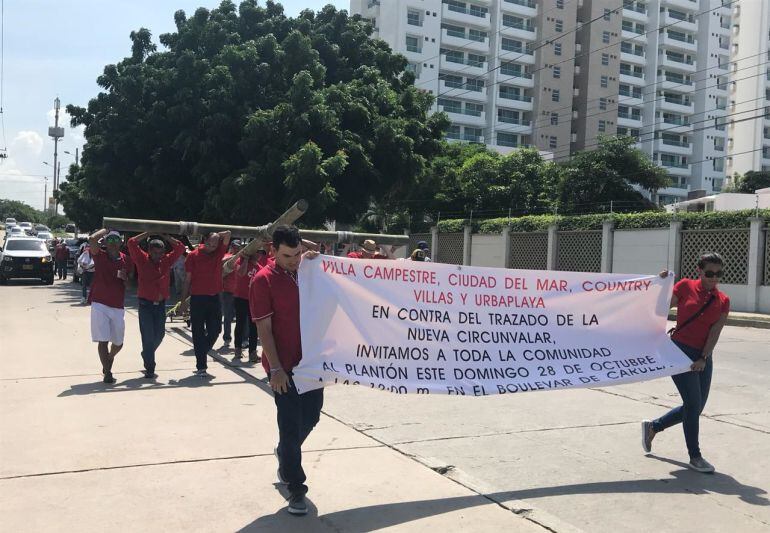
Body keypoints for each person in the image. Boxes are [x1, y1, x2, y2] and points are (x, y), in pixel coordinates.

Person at [250, 225, 321, 516]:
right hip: (283, 367)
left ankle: (284, 452)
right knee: (290, 426)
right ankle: (296, 488)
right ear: (273, 251)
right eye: (287, 256)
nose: (294, 260)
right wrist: (276, 368)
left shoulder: (308, 271)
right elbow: (264, 329)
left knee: (312, 417)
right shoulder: (263, 280)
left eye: (297, 253)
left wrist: (309, 253)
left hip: (311, 364)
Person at [642, 252, 730, 473]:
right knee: (692, 404)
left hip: (702, 356)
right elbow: (659, 309)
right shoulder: (685, 286)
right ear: (699, 270)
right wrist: (661, 285)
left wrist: (703, 357)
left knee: (696, 407)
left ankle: (653, 426)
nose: (713, 278)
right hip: (678, 352)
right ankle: (695, 457)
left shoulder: (723, 300)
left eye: (718, 274)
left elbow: (715, 332)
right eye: (709, 273)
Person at [128, 232, 186, 379]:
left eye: (160, 253)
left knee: (159, 335)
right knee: (148, 337)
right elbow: (131, 242)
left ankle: (147, 353)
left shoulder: (166, 260)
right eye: (155, 252)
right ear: (149, 251)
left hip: (160, 305)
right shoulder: (141, 259)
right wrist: (148, 232)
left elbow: (180, 248)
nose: (158, 256)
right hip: (145, 305)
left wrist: (165, 236)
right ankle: (150, 368)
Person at [179, 230, 231, 376]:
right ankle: (201, 366)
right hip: (198, 298)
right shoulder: (193, 255)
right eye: (209, 244)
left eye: (214, 245)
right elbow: (187, 280)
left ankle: (201, 351)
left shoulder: (218, 252)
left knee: (216, 330)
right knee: (198, 332)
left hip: (214, 298)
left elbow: (228, 234)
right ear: (204, 240)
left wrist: (216, 236)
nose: (211, 247)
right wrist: (183, 301)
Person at [88, 229, 134, 384]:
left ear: (121, 243)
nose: (113, 243)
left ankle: (109, 358)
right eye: (110, 240)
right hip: (99, 303)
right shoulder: (99, 256)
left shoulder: (127, 260)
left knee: (118, 342)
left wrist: (125, 278)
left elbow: (130, 286)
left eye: (116, 240)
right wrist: (106, 229)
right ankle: (107, 372)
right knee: (103, 340)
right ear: (105, 243)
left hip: (117, 305)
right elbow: (92, 239)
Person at [231, 248, 267, 363]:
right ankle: (237, 349)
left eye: (261, 253)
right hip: (240, 297)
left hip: (253, 299)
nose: (259, 255)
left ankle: (252, 353)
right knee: (240, 324)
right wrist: (246, 259)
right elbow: (241, 273)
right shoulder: (241, 261)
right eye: (257, 252)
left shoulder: (260, 268)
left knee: (254, 327)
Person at [220, 240, 242, 349]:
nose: (236, 248)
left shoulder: (243, 259)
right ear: (231, 247)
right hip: (227, 292)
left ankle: (243, 340)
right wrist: (235, 256)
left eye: (238, 247)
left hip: (239, 292)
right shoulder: (227, 256)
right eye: (234, 246)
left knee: (241, 318)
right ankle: (227, 339)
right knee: (227, 317)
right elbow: (221, 262)